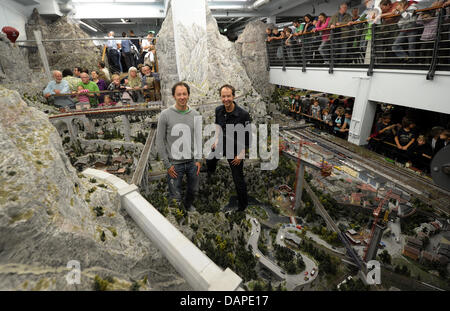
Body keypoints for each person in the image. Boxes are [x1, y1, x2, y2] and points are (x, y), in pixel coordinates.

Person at [155, 82, 202, 211]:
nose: (182, 97)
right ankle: (177, 219)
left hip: (192, 163)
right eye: (179, 94)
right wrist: (167, 164)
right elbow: (159, 141)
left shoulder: (196, 115)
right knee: (175, 196)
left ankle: (188, 208)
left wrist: (198, 160)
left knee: (193, 191)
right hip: (175, 164)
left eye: (184, 94)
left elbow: (199, 138)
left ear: (188, 95)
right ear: (174, 96)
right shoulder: (165, 115)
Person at [206, 84, 251, 212]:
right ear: (221, 97)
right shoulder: (218, 110)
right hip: (221, 143)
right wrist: (216, 139)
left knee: (238, 179)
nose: (226, 99)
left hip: (235, 148)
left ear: (233, 96)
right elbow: (218, 126)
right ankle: (211, 172)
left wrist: (241, 154)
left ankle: (243, 205)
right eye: (223, 96)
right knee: (209, 160)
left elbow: (247, 136)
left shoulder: (243, 115)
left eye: (228, 96)